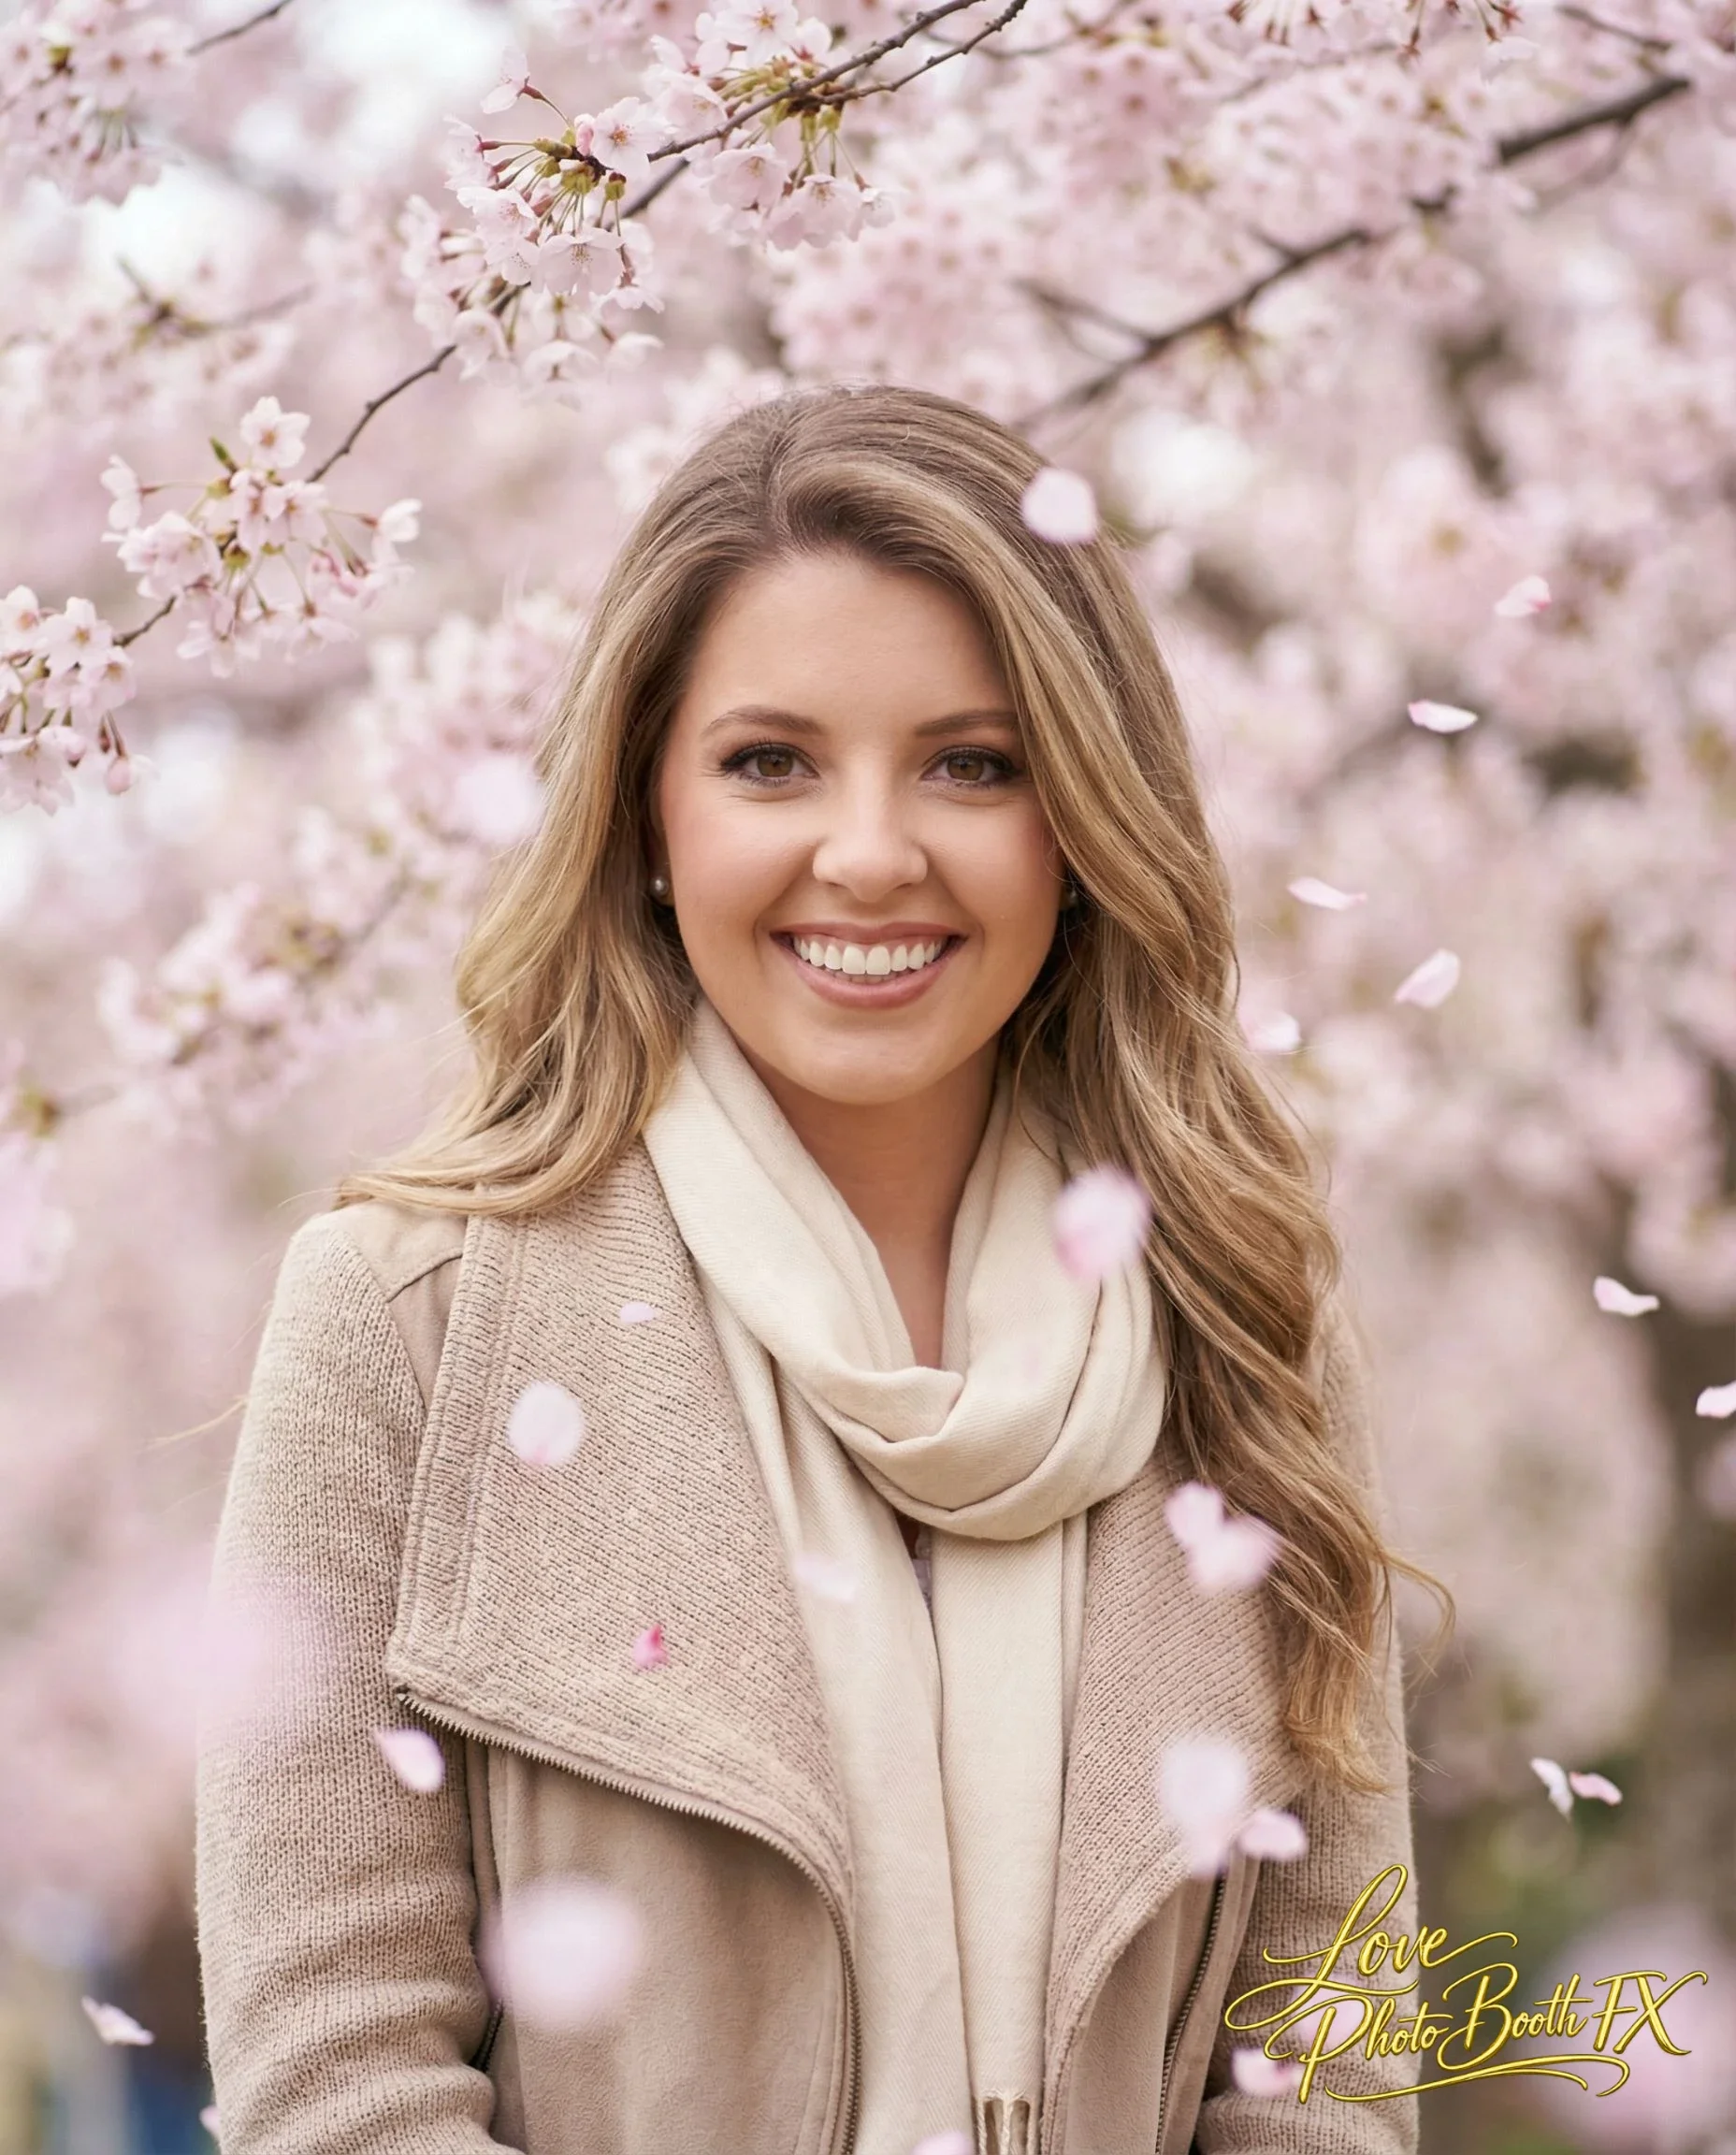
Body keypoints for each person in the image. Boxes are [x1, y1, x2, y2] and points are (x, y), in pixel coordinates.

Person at [195, 384, 1435, 2155]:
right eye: (770, 761)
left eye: (973, 763)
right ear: (646, 813)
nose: (870, 851)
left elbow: (1331, 2063)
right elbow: (336, 2076)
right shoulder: (410, 1323)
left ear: (1081, 824)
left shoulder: (1239, 1321)